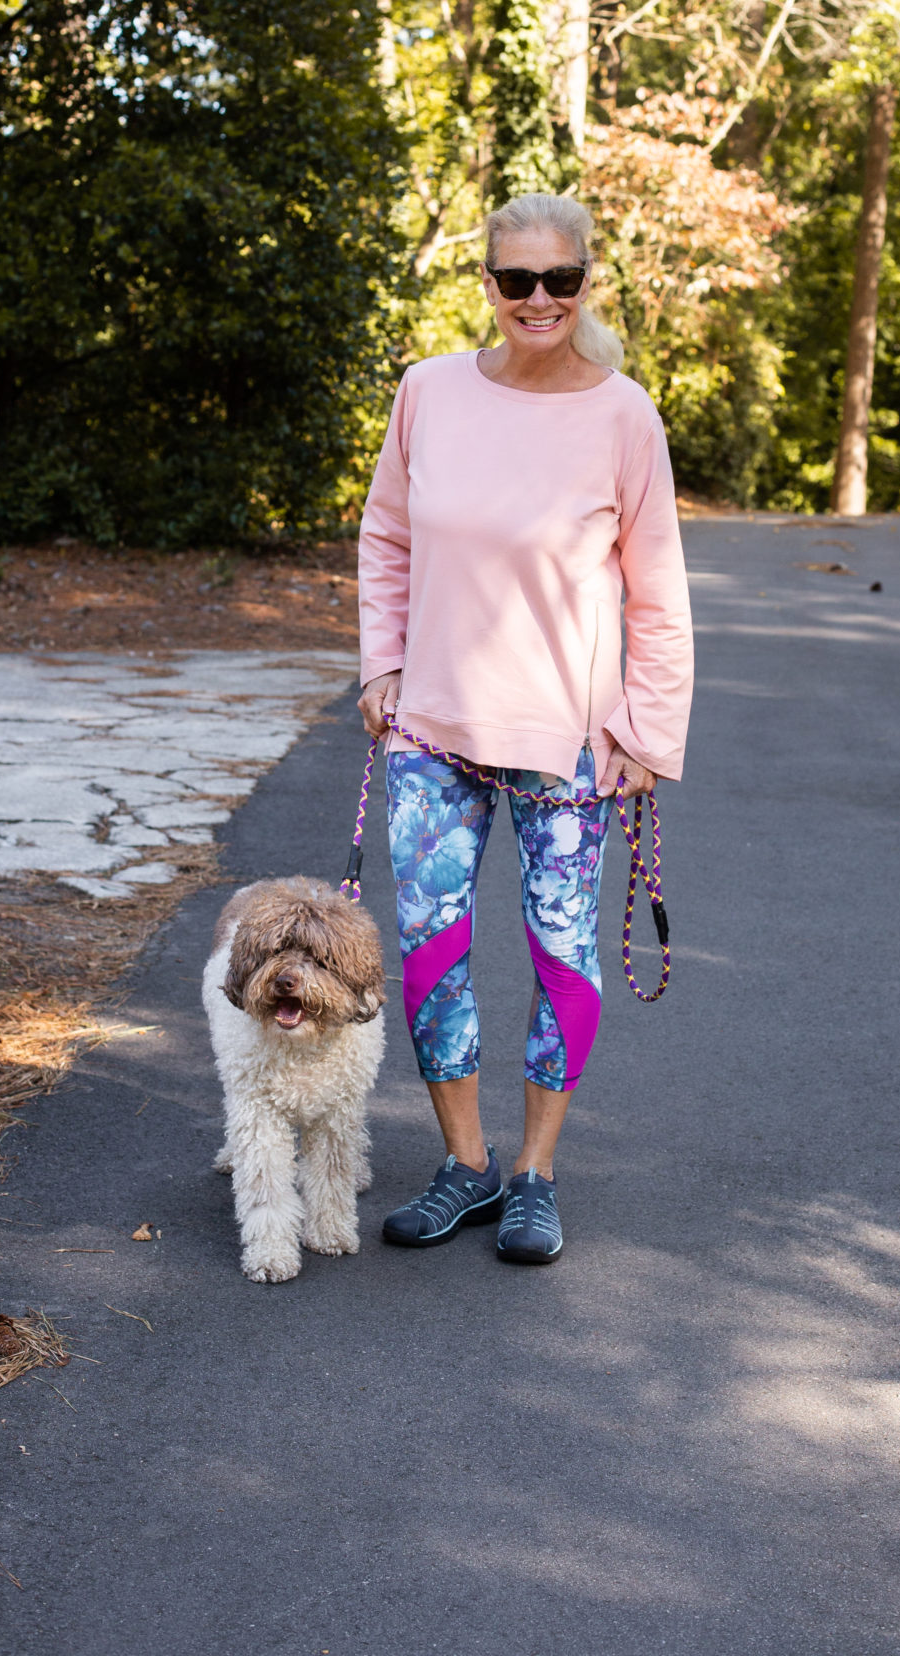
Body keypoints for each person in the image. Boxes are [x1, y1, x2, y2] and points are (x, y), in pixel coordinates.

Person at [357, 194, 694, 1264]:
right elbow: (385, 538)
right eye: (517, 281)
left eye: (560, 280)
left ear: (588, 281)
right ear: (488, 285)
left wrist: (647, 728)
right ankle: (463, 1163)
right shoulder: (429, 394)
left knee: (562, 956)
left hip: (569, 740)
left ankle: (535, 1177)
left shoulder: (624, 415)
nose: (539, 300)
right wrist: (382, 665)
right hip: (434, 728)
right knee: (430, 955)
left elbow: (658, 591)